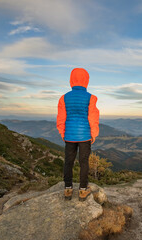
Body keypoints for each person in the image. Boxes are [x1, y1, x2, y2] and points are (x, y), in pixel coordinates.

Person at [56, 68, 99, 201]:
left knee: (68, 162)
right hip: (85, 136)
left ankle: (68, 189)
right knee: (83, 162)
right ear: (86, 80)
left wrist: (63, 133)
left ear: (71, 80)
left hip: (69, 136)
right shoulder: (91, 97)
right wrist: (93, 134)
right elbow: (93, 118)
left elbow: (61, 118)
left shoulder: (64, 98)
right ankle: (82, 190)